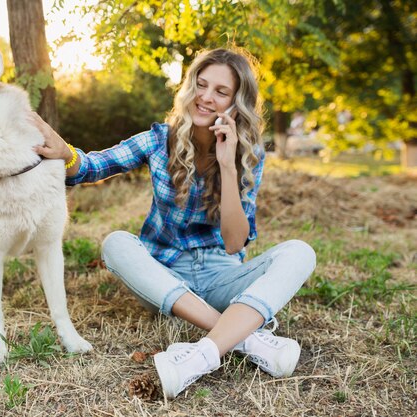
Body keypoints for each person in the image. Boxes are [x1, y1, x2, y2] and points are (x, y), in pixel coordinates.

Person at [32, 48, 316, 399]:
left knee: (299, 253)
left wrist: (228, 166)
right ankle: (246, 336)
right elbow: (93, 167)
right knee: (116, 243)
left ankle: (199, 357)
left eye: (220, 92)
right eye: (201, 85)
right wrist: (66, 153)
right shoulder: (157, 140)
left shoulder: (248, 155)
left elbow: (234, 243)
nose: (206, 97)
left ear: (236, 103)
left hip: (221, 276)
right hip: (165, 278)